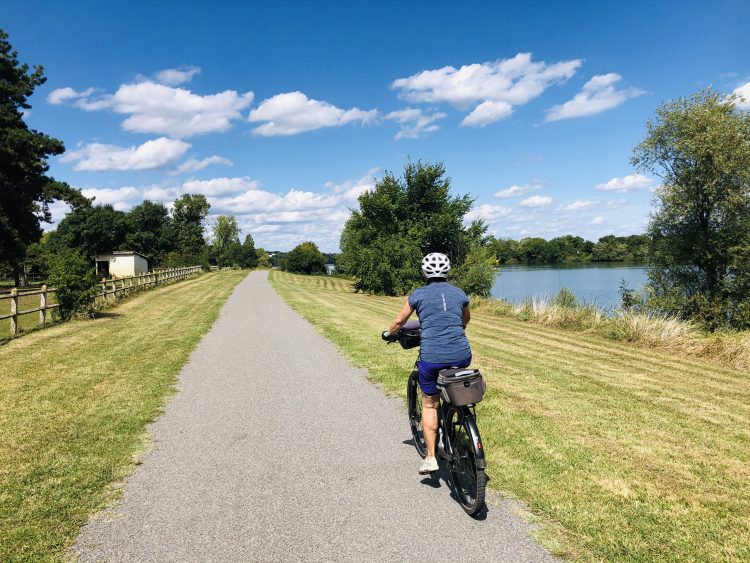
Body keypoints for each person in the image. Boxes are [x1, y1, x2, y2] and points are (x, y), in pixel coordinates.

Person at [384, 252, 471, 474]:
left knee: (430, 404)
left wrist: (388, 334)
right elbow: (465, 319)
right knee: (452, 383)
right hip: (462, 353)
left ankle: (431, 457)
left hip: (432, 356)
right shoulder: (459, 293)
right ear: (448, 272)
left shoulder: (418, 294)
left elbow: (399, 321)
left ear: (424, 273)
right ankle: (457, 411)